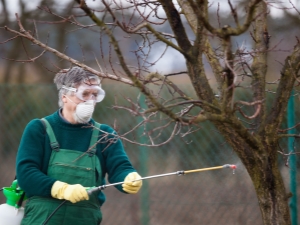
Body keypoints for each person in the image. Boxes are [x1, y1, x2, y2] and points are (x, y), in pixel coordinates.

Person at [16, 66, 142, 225]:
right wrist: (61, 189)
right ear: (64, 96)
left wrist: (129, 177)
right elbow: (26, 174)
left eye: (95, 95)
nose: (90, 100)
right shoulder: (39, 129)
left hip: (85, 219)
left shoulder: (104, 134)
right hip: (42, 219)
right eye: (84, 94)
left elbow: (120, 167)